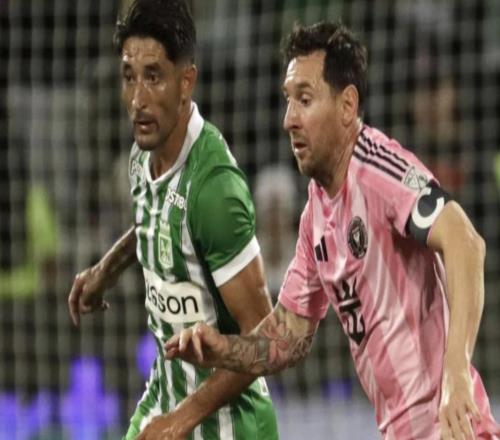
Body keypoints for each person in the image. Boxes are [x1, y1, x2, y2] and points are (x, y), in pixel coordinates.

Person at [166, 22, 500, 440]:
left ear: (347, 106)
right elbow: (288, 336)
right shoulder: (315, 218)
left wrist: (456, 373)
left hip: (451, 429)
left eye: (305, 100)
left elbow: (466, 243)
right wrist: (225, 349)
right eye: (288, 100)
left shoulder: (377, 169)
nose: (289, 120)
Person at [67, 0, 279, 439]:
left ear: (186, 82)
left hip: (229, 425)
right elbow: (160, 220)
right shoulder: (140, 157)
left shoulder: (215, 189)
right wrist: (105, 270)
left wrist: (180, 421)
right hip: (163, 396)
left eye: (153, 77)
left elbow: (267, 341)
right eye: (129, 77)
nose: (137, 100)